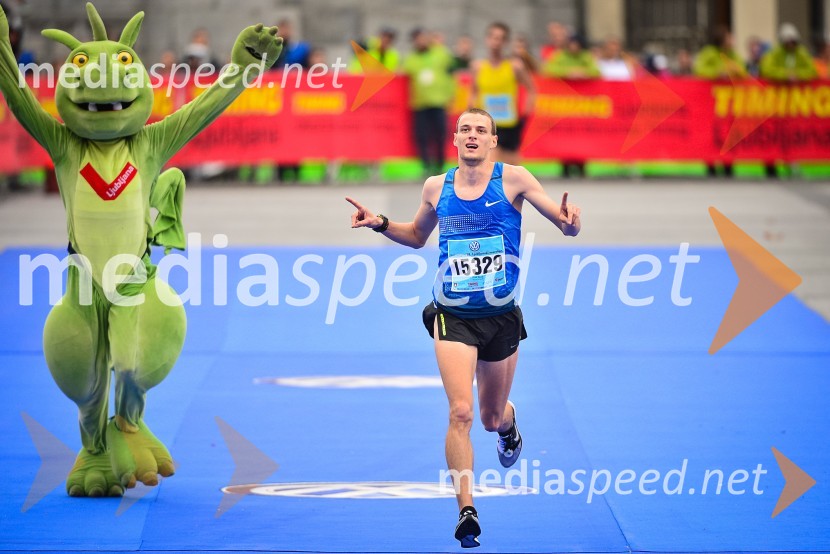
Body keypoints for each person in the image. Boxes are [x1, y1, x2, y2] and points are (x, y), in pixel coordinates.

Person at [345, 108, 581, 548]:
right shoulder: (436, 187)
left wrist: (571, 222)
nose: (473, 136)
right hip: (452, 315)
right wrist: (380, 223)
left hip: (500, 316)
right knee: (460, 412)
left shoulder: (514, 179)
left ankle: (508, 423)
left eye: (481, 130)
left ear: (493, 141)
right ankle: (466, 510)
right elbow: (417, 236)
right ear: (455, 139)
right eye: (466, 130)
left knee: (490, 418)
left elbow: (565, 224)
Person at [470, 22, 535, 166]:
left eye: (500, 38)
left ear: (505, 42)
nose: (496, 42)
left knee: (511, 166)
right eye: (493, 37)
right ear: (487, 39)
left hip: (509, 123)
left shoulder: (515, 66)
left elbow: (531, 89)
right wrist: (471, 114)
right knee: (490, 163)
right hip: (486, 123)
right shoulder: (478, 66)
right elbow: (473, 92)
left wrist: (527, 110)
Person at [402, 28, 455, 175]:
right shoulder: (411, 59)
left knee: (441, 134)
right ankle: (426, 164)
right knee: (422, 135)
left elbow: (451, 66)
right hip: (420, 103)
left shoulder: (439, 53)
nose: (421, 41)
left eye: (423, 38)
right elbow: (403, 71)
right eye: (418, 39)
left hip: (438, 101)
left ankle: (440, 163)